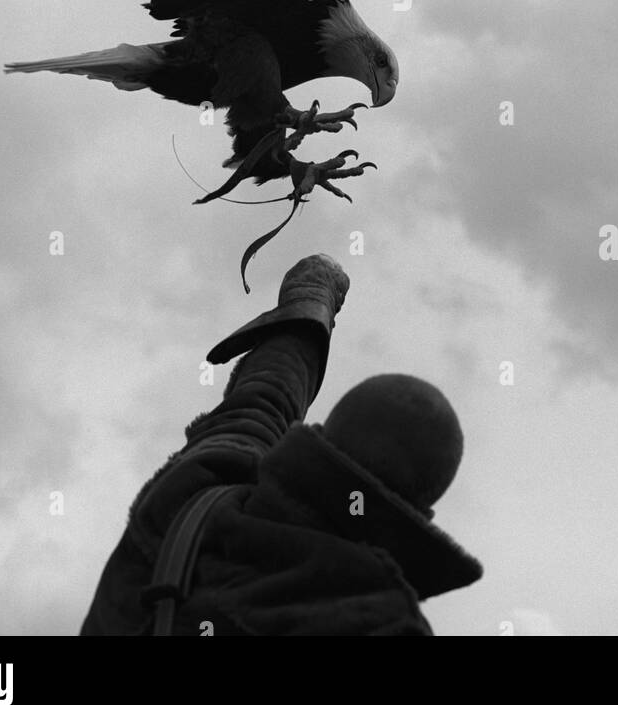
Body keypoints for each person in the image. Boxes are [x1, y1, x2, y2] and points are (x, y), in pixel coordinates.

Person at [81, 254, 482, 635]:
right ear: (421, 513)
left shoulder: (190, 501)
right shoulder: (382, 622)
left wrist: (311, 301)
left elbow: (261, 403)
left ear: (322, 438)